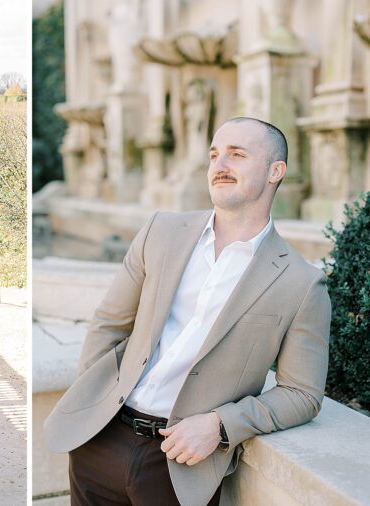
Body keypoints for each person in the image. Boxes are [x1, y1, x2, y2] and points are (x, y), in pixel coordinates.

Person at [43, 117, 331, 506]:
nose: (220, 165)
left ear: (274, 171)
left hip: (183, 465)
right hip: (101, 443)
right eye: (214, 154)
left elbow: (303, 393)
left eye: (237, 154)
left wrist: (221, 425)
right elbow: (109, 323)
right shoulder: (161, 231)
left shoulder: (301, 282)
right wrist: (96, 409)